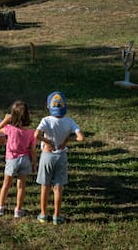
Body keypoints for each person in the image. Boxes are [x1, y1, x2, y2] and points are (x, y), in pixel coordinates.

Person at [35, 91, 85, 225]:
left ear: (48, 106)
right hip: (61, 156)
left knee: (45, 186)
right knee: (58, 188)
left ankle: (43, 214)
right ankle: (57, 216)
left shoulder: (45, 120)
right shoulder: (70, 121)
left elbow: (36, 135)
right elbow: (81, 137)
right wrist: (68, 139)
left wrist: (47, 141)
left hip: (46, 156)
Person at [0, 101, 38, 218]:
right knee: (21, 186)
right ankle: (18, 210)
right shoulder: (31, 132)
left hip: (11, 159)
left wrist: (6, 119)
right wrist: (34, 163)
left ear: (12, 116)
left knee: (6, 184)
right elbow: (33, 150)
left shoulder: (9, 129)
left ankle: (0, 207)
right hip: (25, 160)